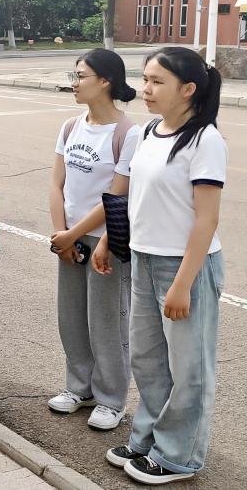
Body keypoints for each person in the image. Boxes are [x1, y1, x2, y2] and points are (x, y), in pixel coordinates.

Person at [98, 48, 226, 486]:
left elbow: (207, 219)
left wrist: (183, 284)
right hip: (144, 259)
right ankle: (148, 438)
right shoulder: (149, 131)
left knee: (190, 368)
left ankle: (178, 456)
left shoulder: (205, 140)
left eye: (157, 82)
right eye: (146, 79)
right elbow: (137, 198)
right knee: (149, 360)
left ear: (188, 89)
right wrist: (108, 241)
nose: (146, 89)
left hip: (185, 266)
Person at [47, 49, 139, 431]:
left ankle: (111, 399)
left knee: (106, 321)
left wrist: (73, 234)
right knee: (71, 317)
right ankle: (78, 388)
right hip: (69, 239)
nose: (74, 83)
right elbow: (56, 183)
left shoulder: (128, 133)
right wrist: (62, 236)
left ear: (105, 81)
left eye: (81, 76)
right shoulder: (71, 126)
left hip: (104, 241)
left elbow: (116, 194)